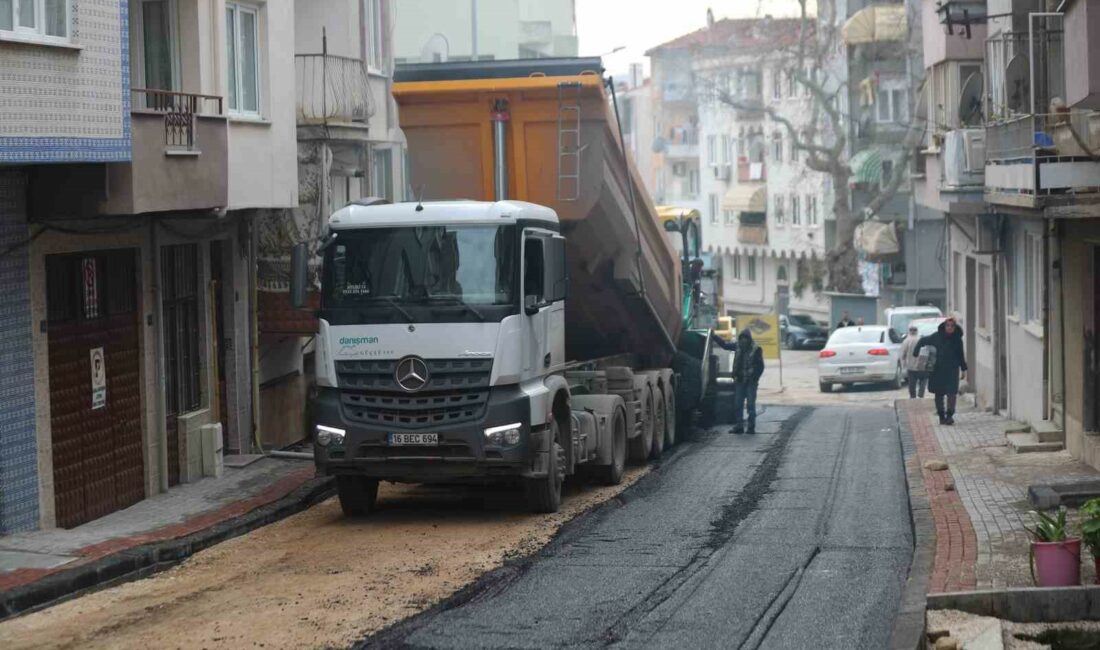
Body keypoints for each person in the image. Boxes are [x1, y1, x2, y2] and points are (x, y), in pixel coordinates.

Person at [913, 316, 967, 425]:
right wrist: (916, 351)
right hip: (938, 369)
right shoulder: (936, 337)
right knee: (939, 393)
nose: (950, 328)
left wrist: (963, 369)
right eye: (948, 325)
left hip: (952, 369)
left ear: (955, 327)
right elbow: (923, 340)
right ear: (944, 326)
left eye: (952, 326)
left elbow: (960, 354)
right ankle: (941, 415)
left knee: (952, 393)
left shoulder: (957, 339)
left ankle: (950, 415)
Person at [729, 329, 765, 434]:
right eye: (742, 339)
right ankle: (739, 426)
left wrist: (755, 377)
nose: (743, 341)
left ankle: (751, 427)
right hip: (740, 380)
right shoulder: (738, 347)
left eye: (745, 339)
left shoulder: (756, 349)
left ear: (749, 340)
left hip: (751, 382)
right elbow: (724, 346)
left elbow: (760, 366)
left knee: (750, 405)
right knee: (738, 404)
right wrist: (714, 336)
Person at [899, 325, 929, 398]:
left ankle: (913, 397)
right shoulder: (921, 339)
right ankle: (921, 394)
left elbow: (903, 354)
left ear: (909, 331)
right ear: (917, 331)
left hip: (911, 365)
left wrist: (903, 364)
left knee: (912, 383)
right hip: (922, 364)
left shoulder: (906, 341)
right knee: (923, 380)